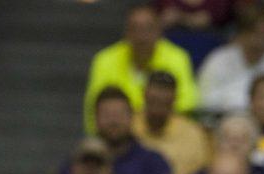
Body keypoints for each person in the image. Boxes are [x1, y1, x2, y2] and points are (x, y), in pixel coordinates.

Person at [84, 3, 198, 133]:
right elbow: (94, 109)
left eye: (148, 29)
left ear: (159, 31)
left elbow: (187, 104)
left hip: (166, 134)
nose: (142, 36)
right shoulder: (104, 60)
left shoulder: (178, 57)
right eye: (135, 29)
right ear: (126, 33)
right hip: (118, 138)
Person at [56, 87, 172, 174]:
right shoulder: (80, 162)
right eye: (107, 115)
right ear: (95, 118)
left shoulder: (152, 162)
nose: (113, 121)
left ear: (132, 117)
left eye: (119, 114)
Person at [197, 5, 264, 117]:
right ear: (241, 33)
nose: (259, 41)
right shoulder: (218, 59)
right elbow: (204, 103)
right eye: (254, 33)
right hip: (226, 124)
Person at [133, 71, 211, 174]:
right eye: (154, 98)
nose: (160, 98)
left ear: (175, 98)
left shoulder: (193, 134)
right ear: (144, 93)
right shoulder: (128, 126)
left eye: (165, 95)